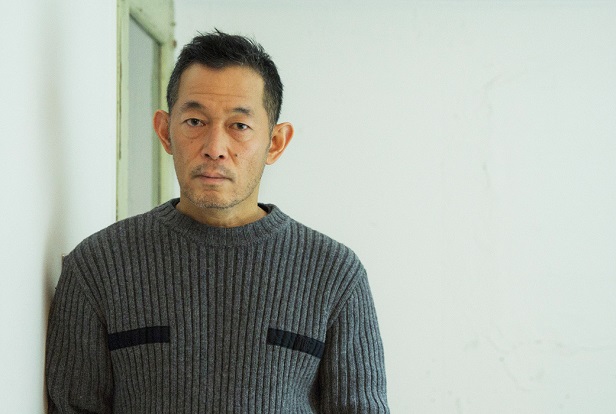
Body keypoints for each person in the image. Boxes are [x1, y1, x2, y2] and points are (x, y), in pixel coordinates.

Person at [45, 30, 389, 413]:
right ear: (165, 132)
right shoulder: (97, 267)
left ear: (275, 142)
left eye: (239, 126)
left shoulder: (334, 274)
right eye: (195, 121)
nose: (214, 148)